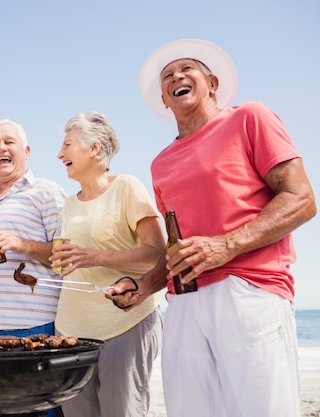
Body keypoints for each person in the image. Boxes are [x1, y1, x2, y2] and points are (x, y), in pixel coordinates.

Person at [110, 39, 317, 417]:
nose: (176, 77)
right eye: (168, 76)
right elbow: (180, 247)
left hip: (249, 289)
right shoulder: (160, 163)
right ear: (164, 99)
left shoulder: (249, 117)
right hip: (184, 303)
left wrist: (226, 245)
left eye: (186, 69)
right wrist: (143, 288)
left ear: (213, 83)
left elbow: (301, 199)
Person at [51, 111, 165, 417]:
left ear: (94, 148)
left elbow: (157, 254)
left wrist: (93, 255)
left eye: (67, 145)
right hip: (71, 335)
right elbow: (68, 262)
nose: (60, 153)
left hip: (124, 326)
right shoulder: (68, 204)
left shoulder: (126, 187)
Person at [0, 119, 67, 417]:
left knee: (41, 409)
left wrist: (21, 244)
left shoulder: (46, 192)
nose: (2, 148)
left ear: (26, 151)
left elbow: (66, 257)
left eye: (9, 142)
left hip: (37, 327)